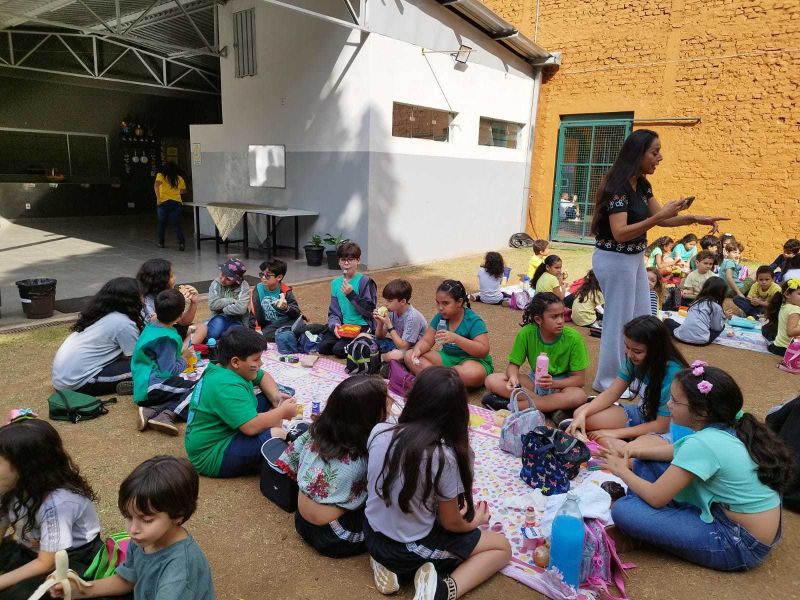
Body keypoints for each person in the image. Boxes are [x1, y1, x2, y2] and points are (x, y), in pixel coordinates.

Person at [603, 364, 792, 571]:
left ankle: (641, 531)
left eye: (675, 401)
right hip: (737, 520)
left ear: (701, 413)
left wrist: (620, 469)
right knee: (645, 464)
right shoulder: (730, 423)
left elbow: (657, 497)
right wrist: (634, 452)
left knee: (623, 510)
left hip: (738, 542)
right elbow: (676, 451)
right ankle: (648, 526)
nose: (668, 404)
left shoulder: (704, 443)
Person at [589, 129, 726, 391]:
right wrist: (659, 216)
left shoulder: (642, 185)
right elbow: (620, 232)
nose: (659, 157)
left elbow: (663, 219)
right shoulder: (617, 187)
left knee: (642, 317)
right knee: (618, 321)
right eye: (654, 152)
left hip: (632, 259)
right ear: (638, 154)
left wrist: (694, 218)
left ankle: (635, 376)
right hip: (614, 260)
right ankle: (607, 381)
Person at [364, 367, 511, 599]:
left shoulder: (380, 430)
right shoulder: (443, 457)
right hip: (406, 548)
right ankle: (442, 591)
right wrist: (475, 522)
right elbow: (451, 523)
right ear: (458, 413)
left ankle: (383, 563)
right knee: (501, 547)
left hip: (371, 533)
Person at [51, 456, 215, 598]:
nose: (132, 529)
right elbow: (127, 580)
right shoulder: (143, 540)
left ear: (178, 515)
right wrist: (79, 590)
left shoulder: (180, 571)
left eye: (147, 520)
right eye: (128, 517)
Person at [276, 376, 390, 558]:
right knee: (386, 527)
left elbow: (293, 457)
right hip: (335, 536)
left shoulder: (317, 431)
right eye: (386, 401)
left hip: (302, 521)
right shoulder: (367, 450)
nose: (390, 403)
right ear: (371, 415)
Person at [0, 419, 101, 598]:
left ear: (25, 467)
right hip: (29, 548)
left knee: (17, 594)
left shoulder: (58, 503)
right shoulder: (8, 486)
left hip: (70, 559)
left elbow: (46, 563)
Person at [184, 326, 296, 478]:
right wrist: (282, 412)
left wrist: (276, 398)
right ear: (236, 362)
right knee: (278, 435)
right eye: (256, 359)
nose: (261, 363)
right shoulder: (226, 385)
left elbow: (263, 376)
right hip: (213, 454)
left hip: (226, 433)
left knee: (269, 398)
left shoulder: (226, 368)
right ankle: (271, 448)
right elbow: (250, 427)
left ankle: (267, 440)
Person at [566, 315, 689, 446]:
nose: (629, 354)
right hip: (642, 413)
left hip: (665, 428)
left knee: (630, 449)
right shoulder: (633, 359)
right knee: (580, 414)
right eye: (627, 347)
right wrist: (584, 413)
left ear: (656, 350)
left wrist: (616, 433)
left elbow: (662, 425)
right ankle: (624, 438)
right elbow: (612, 392)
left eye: (637, 351)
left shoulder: (672, 374)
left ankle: (627, 442)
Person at [482, 292, 588, 415]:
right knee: (492, 380)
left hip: (560, 387)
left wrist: (554, 383)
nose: (560, 321)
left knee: (578, 396)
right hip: (534, 382)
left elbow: (579, 380)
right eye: (554, 317)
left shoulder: (574, 338)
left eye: (562, 315)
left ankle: (512, 406)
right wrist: (513, 377)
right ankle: (550, 407)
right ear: (538, 319)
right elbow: (513, 365)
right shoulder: (527, 333)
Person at [52, 277, 143, 396]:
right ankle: (141, 384)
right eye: (141, 295)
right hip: (79, 383)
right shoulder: (123, 323)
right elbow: (138, 358)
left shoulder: (102, 315)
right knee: (150, 367)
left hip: (63, 379)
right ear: (131, 300)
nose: (144, 299)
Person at [131, 289, 197, 435]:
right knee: (199, 388)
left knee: (182, 388)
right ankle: (168, 414)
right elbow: (169, 371)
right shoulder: (167, 339)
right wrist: (184, 359)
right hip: (152, 388)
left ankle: (151, 410)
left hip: (141, 384)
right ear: (180, 315)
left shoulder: (151, 324)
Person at [405, 280, 493, 389]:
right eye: (438, 302)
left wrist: (456, 338)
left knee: (471, 373)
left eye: (445, 303)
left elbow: (483, 350)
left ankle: (434, 379)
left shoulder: (473, 320)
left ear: (459, 302)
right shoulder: (439, 317)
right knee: (409, 355)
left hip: (473, 361)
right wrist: (418, 349)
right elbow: (427, 341)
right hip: (447, 358)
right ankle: (443, 381)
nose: (440, 308)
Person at [319, 242, 377, 358]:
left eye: (350, 260)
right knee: (323, 347)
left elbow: (369, 311)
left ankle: (366, 338)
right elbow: (334, 311)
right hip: (344, 326)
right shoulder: (335, 283)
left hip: (362, 325)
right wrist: (335, 324)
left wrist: (351, 294)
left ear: (358, 261)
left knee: (339, 350)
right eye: (343, 260)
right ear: (339, 261)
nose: (346, 263)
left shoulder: (365, 282)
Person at [136, 258, 205, 344]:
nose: (175, 278)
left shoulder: (168, 293)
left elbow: (183, 322)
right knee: (197, 330)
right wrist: (174, 303)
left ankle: (184, 349)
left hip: (169, 330)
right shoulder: (145, 300)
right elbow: (154, 323)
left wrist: (194, 303)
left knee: (198, 328)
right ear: (161, 280)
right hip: (155, 336)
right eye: (171, 276)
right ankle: (182, 350)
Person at [372, 279, 427, 363]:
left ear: (403, 301)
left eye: (389, 301)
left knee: (395, 355)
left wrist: (389, 325)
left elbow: (403, 347)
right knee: (365, 336)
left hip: (412, 350)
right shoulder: (392, 311)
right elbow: (380, 337)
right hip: (397, 344)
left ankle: (378, 359)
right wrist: (380, 323)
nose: (385, 303)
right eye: (385, 300)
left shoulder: (412, 318)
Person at [665, 277, 727, 346]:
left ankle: (685, 332)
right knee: (722, 326)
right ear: (721, 293)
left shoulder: (696, 302)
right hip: (701, 341)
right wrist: (723, 317)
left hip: (680, 337)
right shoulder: (716, 307)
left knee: (668, 321)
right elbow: (716, 328)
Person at [252, 259, 301, 342]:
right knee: (261, 334)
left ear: (279, 277)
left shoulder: (285, 290)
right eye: (261, 274)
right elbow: (254, 312)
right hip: (269, 325)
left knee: (266, 334)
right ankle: (289, 334)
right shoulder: (258, 289)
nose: (263, 277)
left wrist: (286, 308)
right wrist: (255, 329)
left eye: (267, 275)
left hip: (286, 321)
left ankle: (290, 334)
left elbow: (296, 312)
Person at [206, 258, 251, 341]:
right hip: (218, 317)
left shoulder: (244, 286)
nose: (223, 279)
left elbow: (241, 309)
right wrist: (230, 300)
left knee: (235, 337)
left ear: (236, 280)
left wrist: (223, 309)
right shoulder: (216, 283)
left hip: (238, 320)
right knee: (214, 331)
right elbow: (212, 305)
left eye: (228, 279)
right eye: (222, 274)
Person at [153, 161, 187, 250]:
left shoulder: (161, 175)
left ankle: (161, 243)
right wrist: (175, 191)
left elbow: (156, 186)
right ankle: (181, 243)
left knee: (162, 224)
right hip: (176, 204)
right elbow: (183, 191)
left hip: (163, 203)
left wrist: (158, 199)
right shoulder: (179, 178)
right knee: (176, 224)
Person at [763, 279, 800, 356]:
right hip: (787, 349)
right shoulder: (795, 309)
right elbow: (790, 332)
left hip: (777, 346)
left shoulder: (784, 306)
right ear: (787, 294)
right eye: (799, 294)